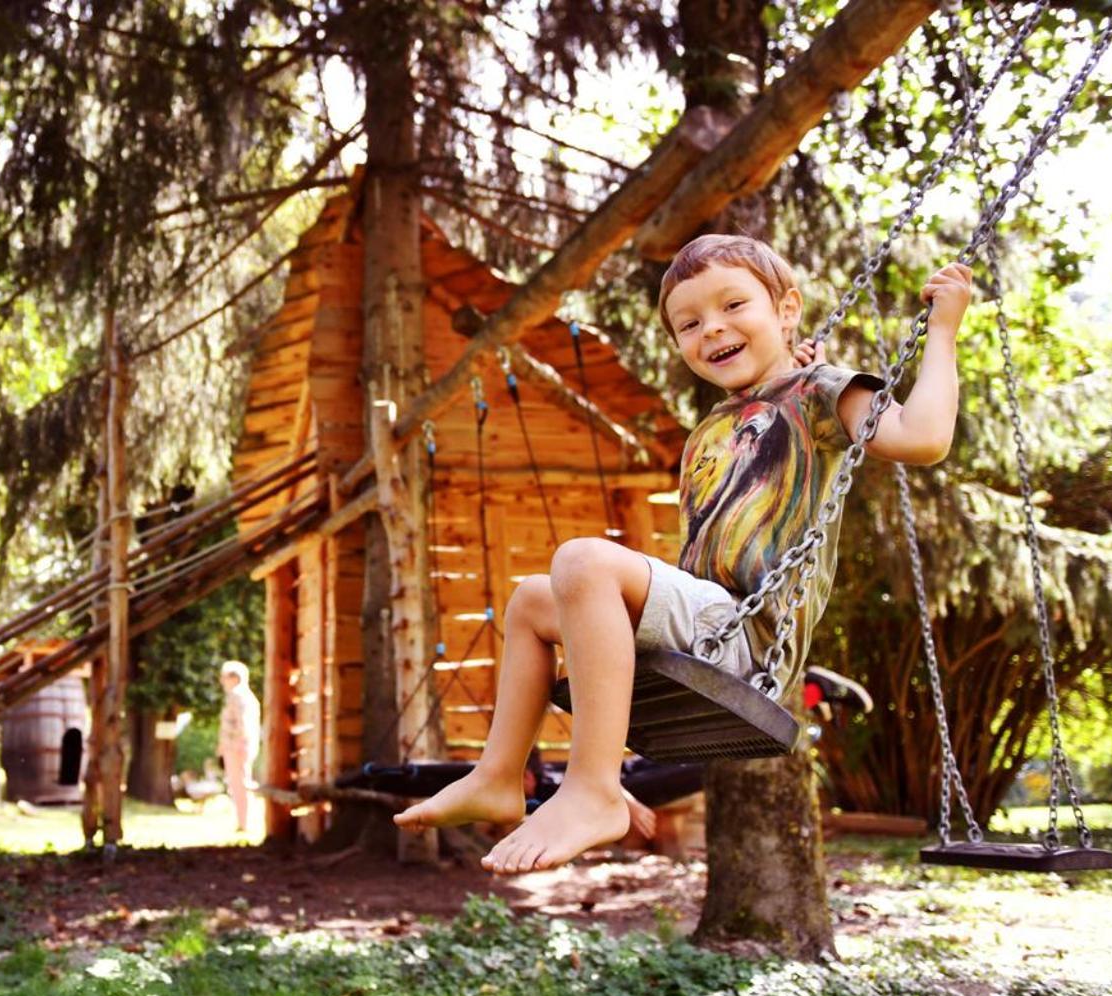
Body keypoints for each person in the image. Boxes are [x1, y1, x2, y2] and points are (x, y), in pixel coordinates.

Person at [395, 234, 971, 874]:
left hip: (743, 639)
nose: (712, 329)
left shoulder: (821, 392)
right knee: (532, 599)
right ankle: (501, 776)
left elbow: (924, 438)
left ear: (786, 309)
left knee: (583, 562)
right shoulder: (715, 426)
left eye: (733, 306)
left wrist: (942, 331)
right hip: (699, 628)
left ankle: (594, 792)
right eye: (689, 323)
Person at [217, 660, 262, 832]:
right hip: (237, 747)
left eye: (225, 676)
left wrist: (238, 745)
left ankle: (244, 823)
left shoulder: (238, 696)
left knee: (239, 784)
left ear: (235, 677)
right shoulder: (246, 696)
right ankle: (242, 821)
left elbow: (242, 724)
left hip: (237, 748)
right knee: (238, 784)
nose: (222, 681)